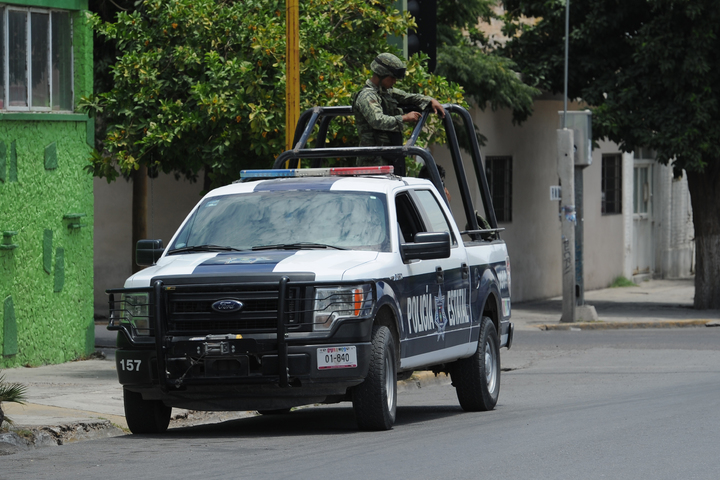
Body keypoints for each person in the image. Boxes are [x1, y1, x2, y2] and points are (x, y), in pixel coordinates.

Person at [352, 53, 446, 176]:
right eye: (392, 77)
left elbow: (407, 97)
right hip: (372, 163)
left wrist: (430, 100)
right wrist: (405, 118)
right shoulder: (367, 96)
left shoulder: (384, 92)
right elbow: (378, 120)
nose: (394, 81)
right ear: (381, 74)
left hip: (389, 157)